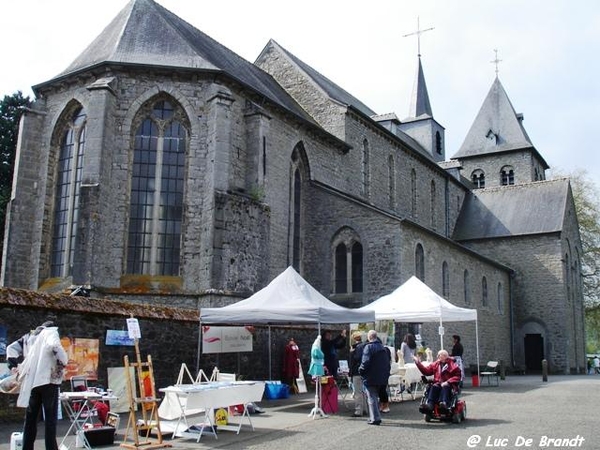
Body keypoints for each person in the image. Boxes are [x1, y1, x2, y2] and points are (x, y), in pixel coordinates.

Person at [7, 316, 68, 450]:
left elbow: (11, 348)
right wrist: (63, 361)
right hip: (48, 381)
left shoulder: (28, 336)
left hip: (32, 383)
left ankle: (27, 447)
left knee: (30, 419)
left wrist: (12, 366)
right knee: (50, 420)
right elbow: (54, 345)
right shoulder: (51, 332)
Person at [358, 330, 391, 426]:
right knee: (375, 397)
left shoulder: (368, 347)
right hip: (382, 377)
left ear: (369, 337)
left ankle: (375, 418)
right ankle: (375, 417)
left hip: (371, 377)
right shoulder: (384, 348)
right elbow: (387, 363)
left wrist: (361, 371)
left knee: (371, 397)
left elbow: (365, 362)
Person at [348, 331, 366, 417]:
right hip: (364, 371)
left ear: (354, 339)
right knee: (363, 391)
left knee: (358, 392)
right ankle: (365, 409)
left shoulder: (358, 348)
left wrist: (352, 353)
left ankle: (358, 410)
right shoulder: (364, 346)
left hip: (357, 371)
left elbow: (356, 358)